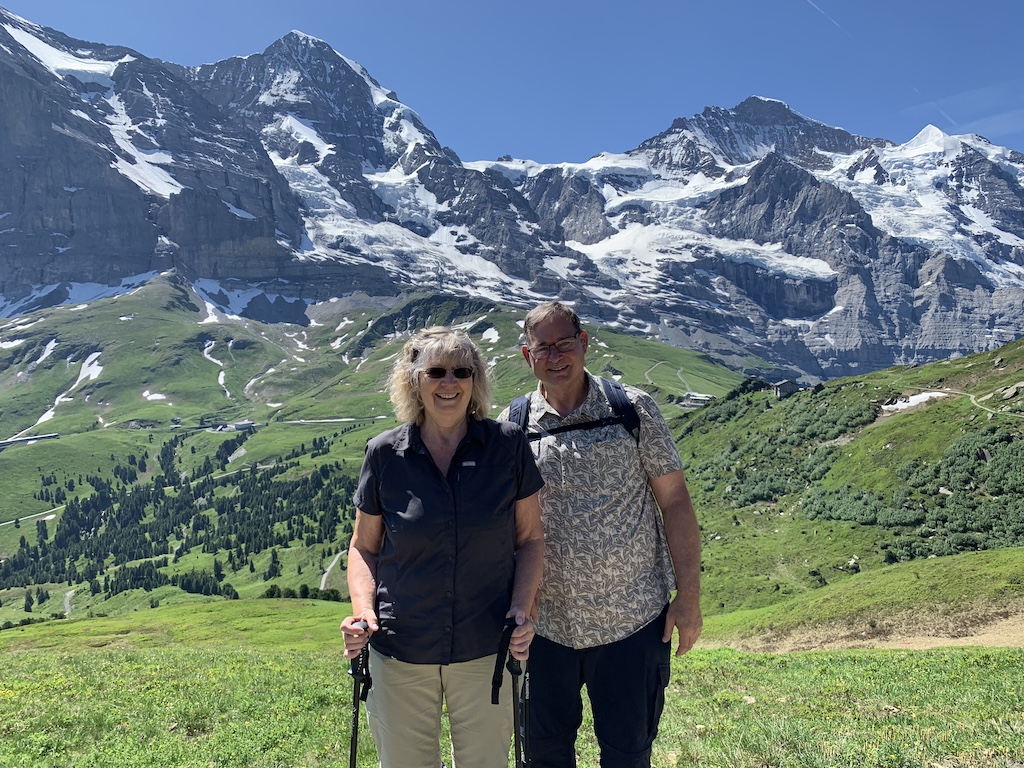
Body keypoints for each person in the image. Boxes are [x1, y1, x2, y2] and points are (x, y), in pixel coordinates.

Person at [502, 301, 702, 768]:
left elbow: (675, 503)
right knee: (544, 758)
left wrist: (687, 596)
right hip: (544, 629)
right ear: (527, 357)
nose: (555, 356)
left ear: (584, 343)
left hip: (632, 624)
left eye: (564, 343)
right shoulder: (512, 427)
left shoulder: (632, 410)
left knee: (629, 756)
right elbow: (504, 527)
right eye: (543, 347)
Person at [340, 326, 545, 768]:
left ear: (476, 381)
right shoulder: (383, 455)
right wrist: (362, 611)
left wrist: (523, 608)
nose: (449, 383)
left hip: (487, 645)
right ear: (415, 380)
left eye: (461, 371)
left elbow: (530, 540)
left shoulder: (508, 446)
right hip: (399, 648)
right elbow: (363, 548)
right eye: (435, 371)